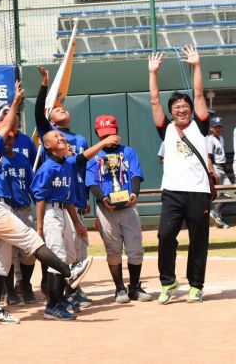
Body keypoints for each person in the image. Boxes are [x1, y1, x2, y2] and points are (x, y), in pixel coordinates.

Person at [0, 67, 90, 325]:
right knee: (33, 240)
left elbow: (6, 126)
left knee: (1, 265)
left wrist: (14, 102)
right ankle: (69, 271)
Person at [148, 45, 212, 305]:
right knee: (165, 236)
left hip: (198, 192)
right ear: (171, 110)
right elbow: (154, 100)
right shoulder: (167, 129)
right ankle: (168, 281)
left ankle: (196, 285)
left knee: (198, 240)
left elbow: (198, 93)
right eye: (176, 107)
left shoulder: (200, 124)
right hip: (172, 192)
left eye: (185, 106)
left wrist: (196, 65)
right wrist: (153, 73)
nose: (182, 110)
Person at [32, 129, 115, 319]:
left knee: (68, 257)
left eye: (62, 136)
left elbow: (68, 195)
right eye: (56, 137)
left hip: (64, 211)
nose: (61, 138)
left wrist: (77, 222)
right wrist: (40, 226)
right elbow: (40, 198)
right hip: (51, 213)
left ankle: (60, 299)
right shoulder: (48, 167)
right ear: (47, 146)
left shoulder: (67, 163)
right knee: (58, 257)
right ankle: (52, 306)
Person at [34, 66, 92, 308]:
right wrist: (45, 86)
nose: (62, 108)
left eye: (63, 107)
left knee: (75, 251)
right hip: (55, 203)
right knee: (59, 252)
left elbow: (82, 169)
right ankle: (58, 296)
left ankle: (70, 292)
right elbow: (39, 114)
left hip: (73, 198)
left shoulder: (78, 139)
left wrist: (86, 197)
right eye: (56, 109)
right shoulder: (50, 134)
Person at [85, 115, 151, 304]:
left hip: (128, 206)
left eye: (111, 135)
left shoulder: (128, 152)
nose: (109, 139)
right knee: (113, 249)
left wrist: (135, 194)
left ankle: (135, 287)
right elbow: (92, 182)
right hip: (106, 209)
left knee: (135, 248)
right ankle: (119, 288)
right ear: (98, 134)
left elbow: (135, 174)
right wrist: (102, 198)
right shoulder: (93, 155)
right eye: (104, 135)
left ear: (118, 132)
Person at [1, 128, 37, 305]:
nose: (8, 142)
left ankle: (25, 284)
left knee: (29, 251)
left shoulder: (22, 159)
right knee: (8, 253)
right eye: (5, 139)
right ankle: (10, 291)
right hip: (5, 210)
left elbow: (32, 185)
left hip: (24, 209)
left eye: (11, 139)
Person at [206, 117, 230, 228]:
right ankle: (216, 214)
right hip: (215, 168)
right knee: (223, 193)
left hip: (221, 167)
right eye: (216, 126)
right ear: (211, 128)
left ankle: (217, 215)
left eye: (219, 126)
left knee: (228, 193)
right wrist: (212, 172)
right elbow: (208, 157)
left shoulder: (221, 138)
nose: (218, 129)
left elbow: (222, 155)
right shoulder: (209, 139)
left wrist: (225, 169)